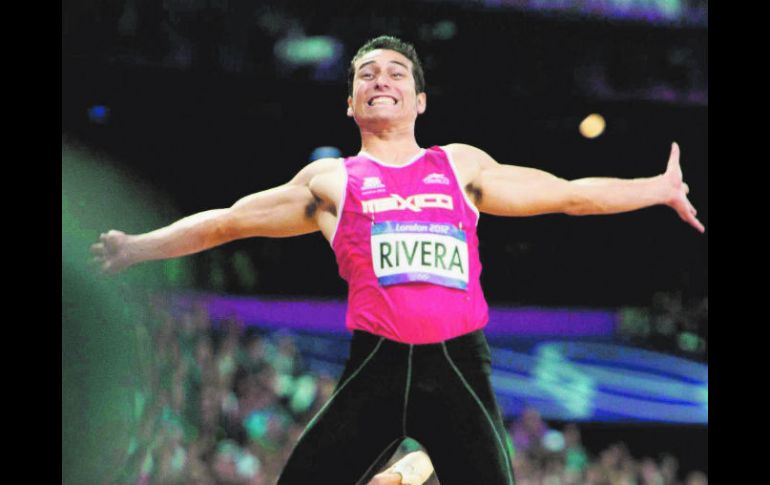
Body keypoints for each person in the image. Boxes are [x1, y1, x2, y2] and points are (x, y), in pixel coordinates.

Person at [90, 35, 704, 484]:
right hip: (375, 369)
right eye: (367, 75)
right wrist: (137, 246)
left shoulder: (460, 166)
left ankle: (415, 467)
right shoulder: (332, 182)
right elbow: (226, 222)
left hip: (459, 368)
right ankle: (411, 468)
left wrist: (655, 188)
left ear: (420, 101)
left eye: (396, 73)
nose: (381, 80)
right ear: (351, 104)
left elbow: (569, 195)